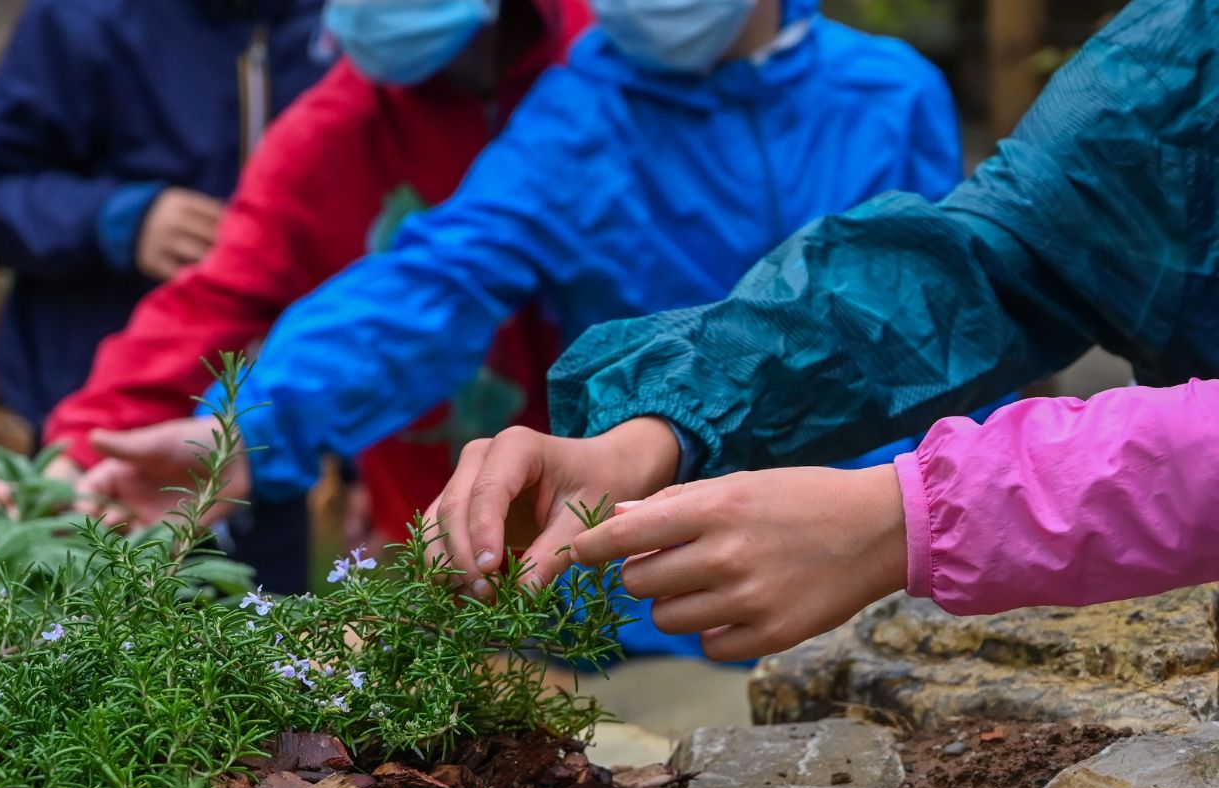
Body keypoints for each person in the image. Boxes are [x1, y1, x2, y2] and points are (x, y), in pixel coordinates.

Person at [68, 0, 966, 653]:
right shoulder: (582, 115)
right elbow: (436, 276)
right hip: (649, 582)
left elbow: (934, 321)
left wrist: (925, 516)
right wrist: (252, 430)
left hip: (871, 548)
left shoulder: (891, 94)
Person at [424, 0, 1219, 659]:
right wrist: (658, 426)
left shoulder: (885, 86)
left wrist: (906, 518)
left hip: (890, 563)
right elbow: (998, 254)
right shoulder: (1182, 49)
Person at [43, 0, 592, 559]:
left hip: (636, 510)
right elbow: (218, 299)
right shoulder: (335, 129)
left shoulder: (604, 73)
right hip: (450, 531)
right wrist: (78, 453)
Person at [0, 0, 329, 436]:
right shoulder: (81, 18)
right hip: (104, 410)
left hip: (285, 415)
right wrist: (119, 219)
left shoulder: (342, 25)